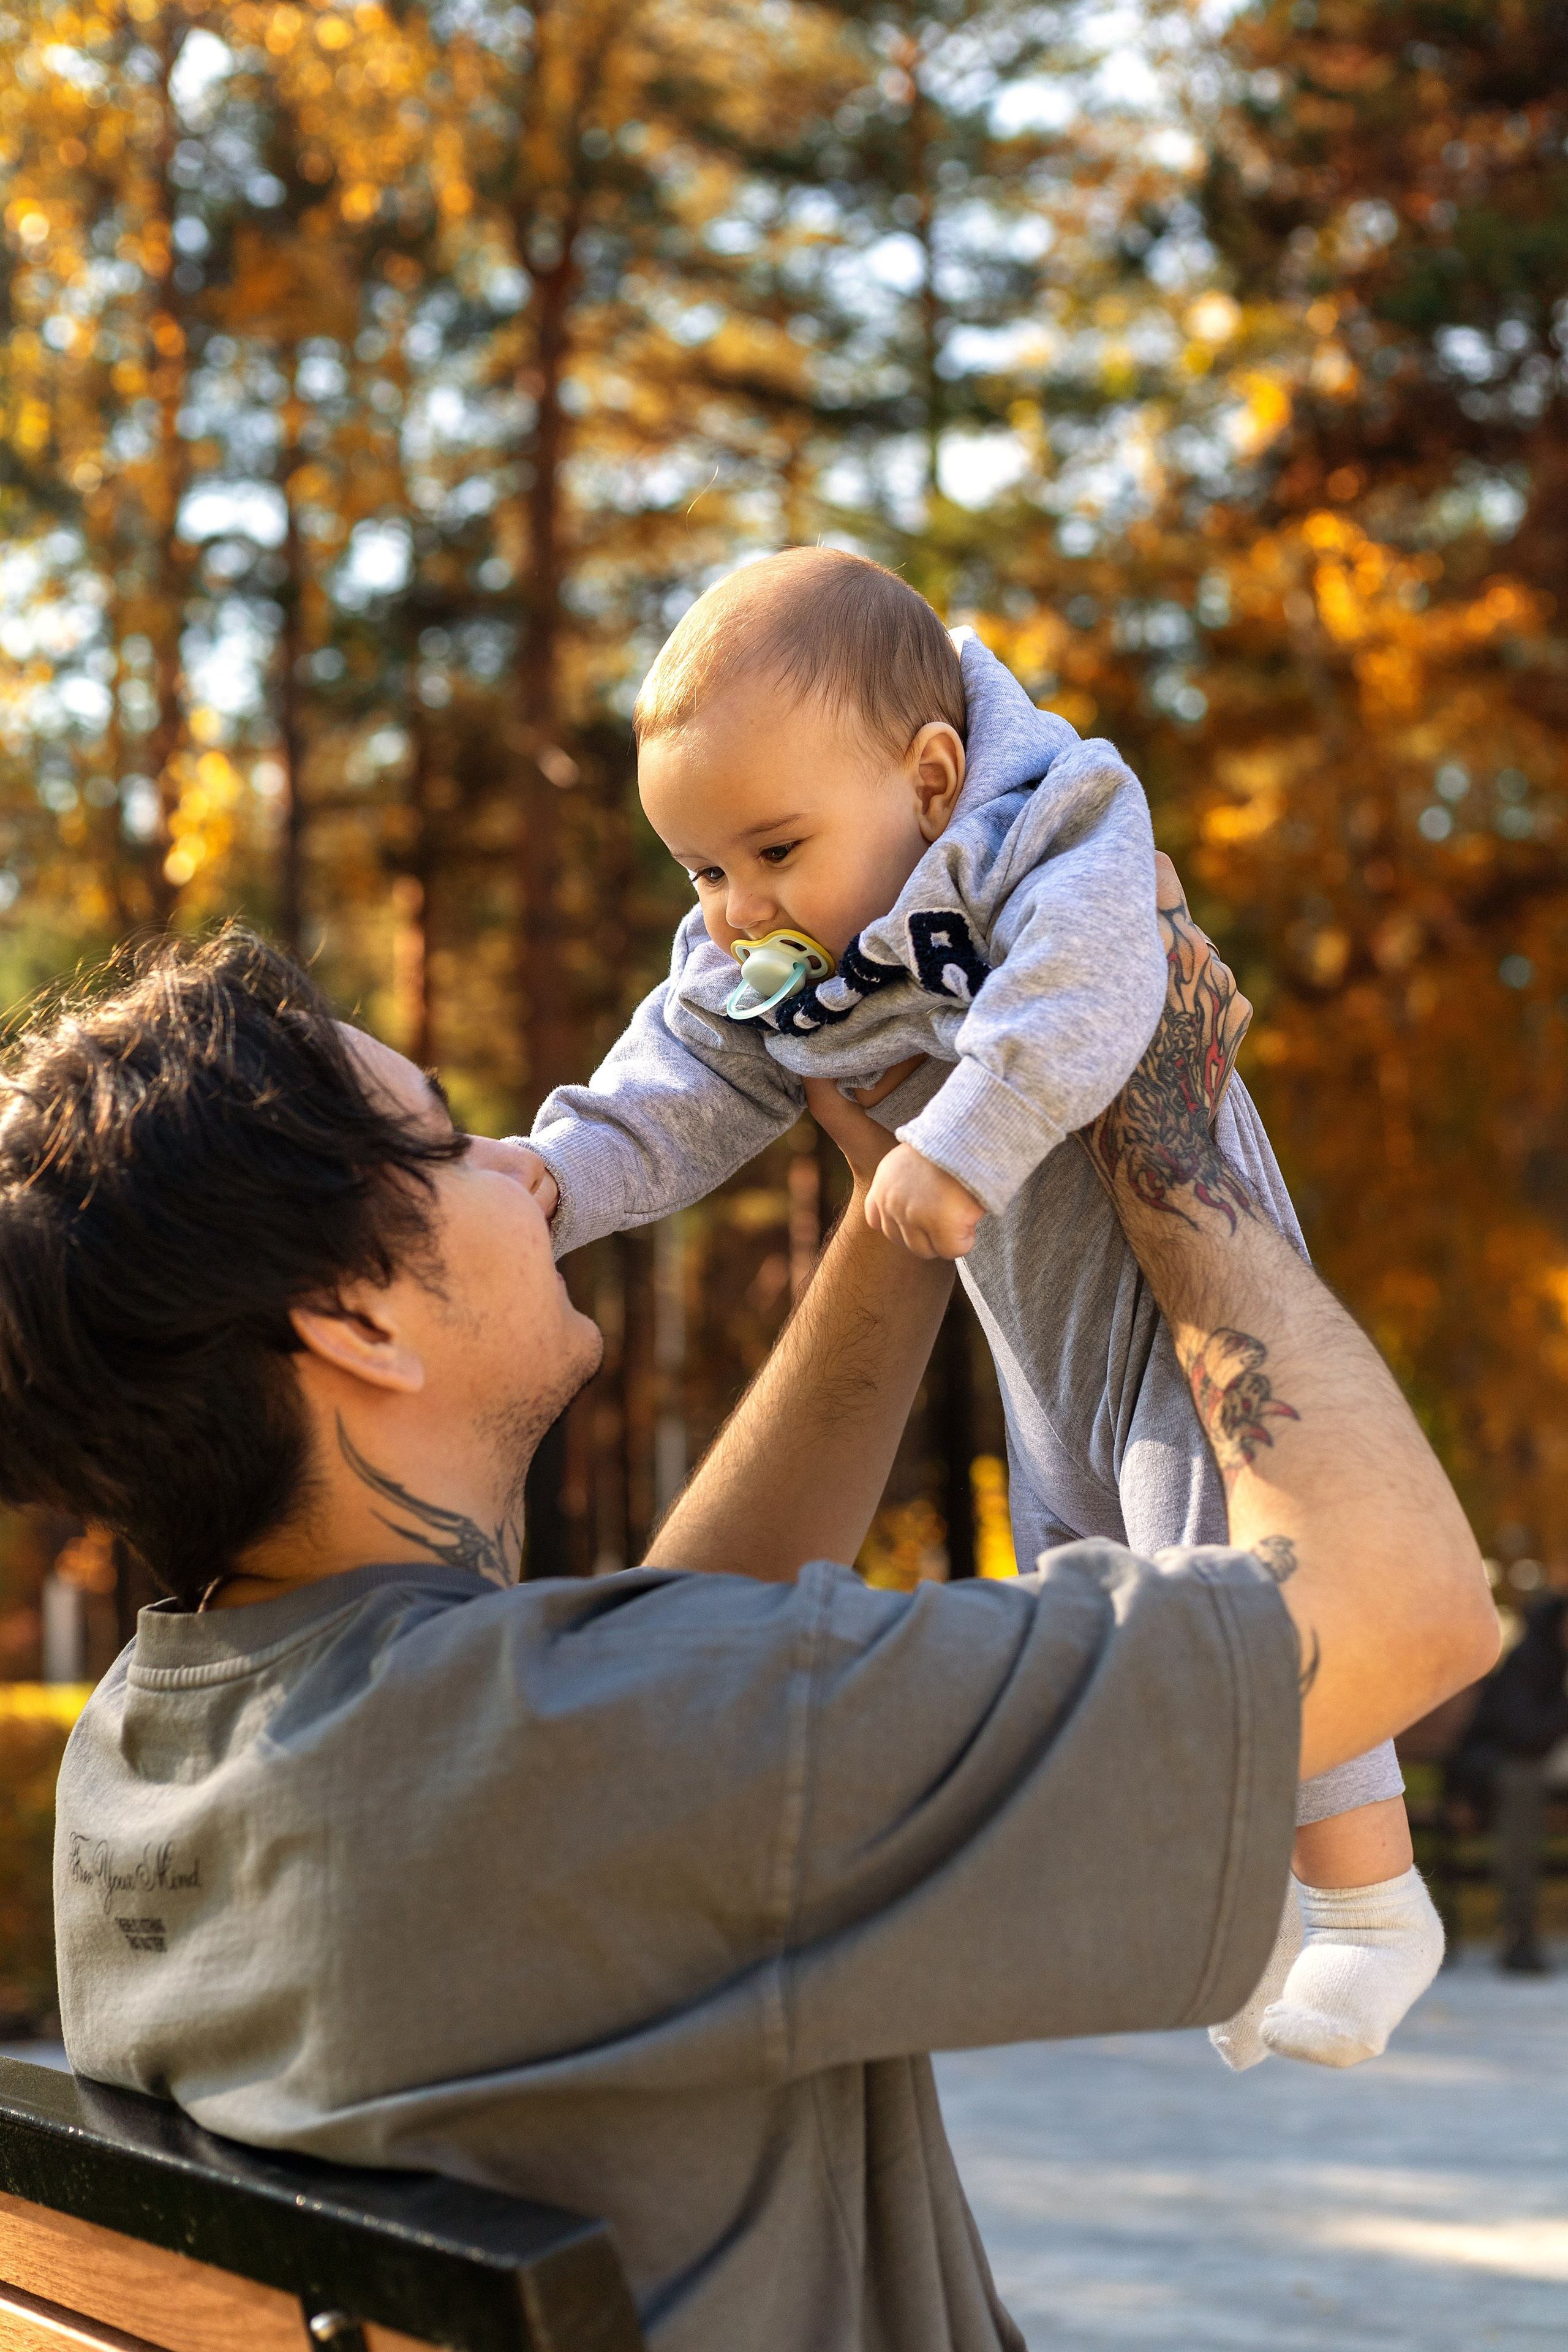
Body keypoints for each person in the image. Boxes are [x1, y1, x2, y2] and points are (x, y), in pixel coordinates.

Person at [13, 916, 1494, 2352]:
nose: (523, 1173)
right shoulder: (606, 1755)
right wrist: (1166, 1124)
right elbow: (1398, 1605)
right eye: (450, 1139)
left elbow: (648, 1729)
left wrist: (904, 1211)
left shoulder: (151, 1758)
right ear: (351, 1316)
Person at [518, 547, 1439, 2070]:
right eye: (699, 870)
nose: (738, 910)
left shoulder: (1047, 823)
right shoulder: (782, 946)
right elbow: (675, 1066)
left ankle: (1369, 1906)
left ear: (930, 775)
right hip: (1043, 1329)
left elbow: (1091, 983)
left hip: (1184, 1299)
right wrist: (559, 1177)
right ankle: (1235, 1911)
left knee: (1229, 1569)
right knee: (1095, 1594)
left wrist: (964, 1137)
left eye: (767, 852)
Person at [1451, 1594, 1568, 1973]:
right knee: (1521, 1788)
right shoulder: (1530, 1663)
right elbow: (1524, 1737)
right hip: (1515, 1770)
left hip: (1546, 1770)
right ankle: (1519, 1933)